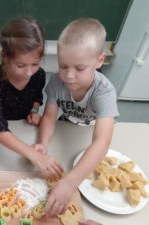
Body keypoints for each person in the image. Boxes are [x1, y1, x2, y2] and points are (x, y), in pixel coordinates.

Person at [34, 18, 119, 217]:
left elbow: (102, 141)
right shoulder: (57, 81)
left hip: (92, 132)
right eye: (63, 66)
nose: (69, 76)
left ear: (99, 61)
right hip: (68, 126)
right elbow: (49, 115)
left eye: (79, 68)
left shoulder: (104, 92)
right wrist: (43, 143)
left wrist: (70, 183)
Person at [0, 16, 63, 176]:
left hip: (24, 130)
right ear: (5, 57)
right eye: (20, 65)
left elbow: (37, 97)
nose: (29, 72)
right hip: (0, 140)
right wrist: (34, 155)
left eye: (35, 64)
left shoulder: (39, 75)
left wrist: (34, 111)